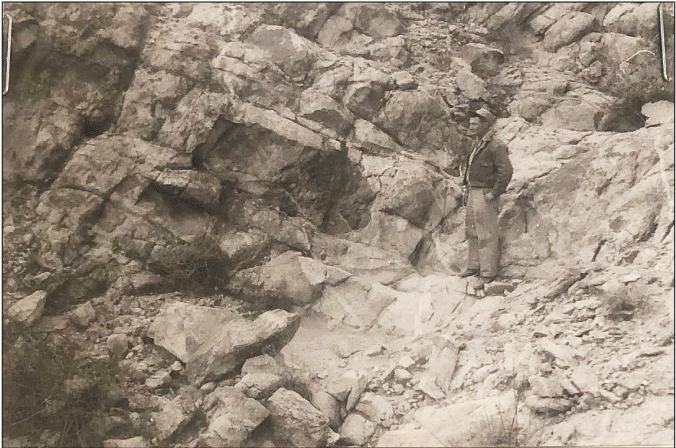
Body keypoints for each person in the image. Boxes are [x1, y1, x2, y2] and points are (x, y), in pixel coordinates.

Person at [460, 108, 513, 288]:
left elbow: (505, 171)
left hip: (485, 194)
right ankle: (474, 266)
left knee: (487, 234)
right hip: (473, 191)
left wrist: (494, 192)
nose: (471, 126)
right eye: (471, 123)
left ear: (485, 125)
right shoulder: (477, 143)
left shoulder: (496, 146)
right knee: (472, 230)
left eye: (475, 124)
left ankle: (488, 273)